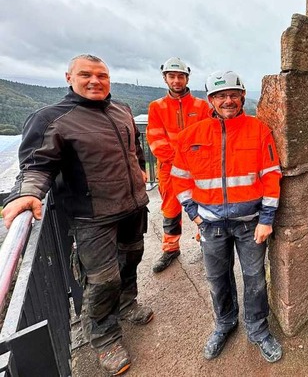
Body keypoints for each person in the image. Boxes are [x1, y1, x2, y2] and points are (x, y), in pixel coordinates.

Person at [1, 54, 153, 376]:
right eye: (86, 74)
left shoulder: (121, 110)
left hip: (132, 206)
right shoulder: (51, 118)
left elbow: (134, 149)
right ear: (69, 77)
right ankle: (104, 336)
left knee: (132, 258)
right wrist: (27, 193)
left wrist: (139, 169)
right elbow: (36, 166)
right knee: (102, 279)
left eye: (102, 75)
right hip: (91, 217)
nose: (95, 81)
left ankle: (127, 303)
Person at [171, 70, 283, 363]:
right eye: (221, 96)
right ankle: (225, 324)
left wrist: (267, 219)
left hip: (250, 224)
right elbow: (179, 179)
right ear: (211, 100)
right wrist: (194, 215)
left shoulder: (258, 131)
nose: (228, 100)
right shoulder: (191, 137)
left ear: (242, 97)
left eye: (233, 95)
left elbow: (271, 176)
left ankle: (258, 330)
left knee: (255, 279)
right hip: (210, 225)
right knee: (217, 279)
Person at [146, 57, 209, 273]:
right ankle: (171, 248)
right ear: (165, 78)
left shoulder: (201, 106)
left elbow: (206, 136)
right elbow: (156, 140)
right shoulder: (157, 107)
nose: (176, 80)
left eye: (180, 76)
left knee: (202, 206)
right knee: (170, 211)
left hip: (197, 169)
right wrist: (179, 162)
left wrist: (195, 161)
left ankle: (205, 243)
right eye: (172, 76)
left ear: (187, 78)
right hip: (169, 169)